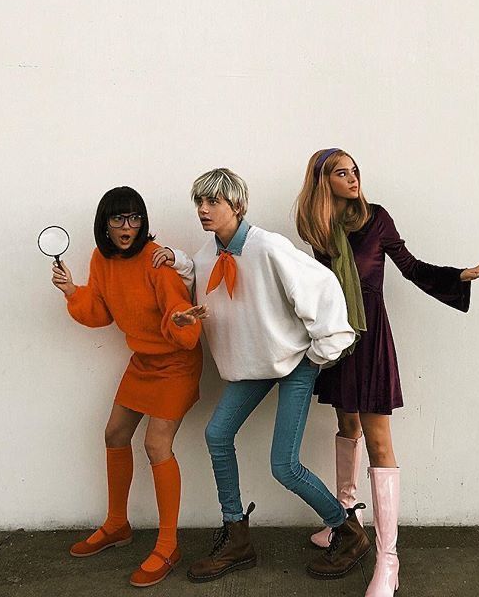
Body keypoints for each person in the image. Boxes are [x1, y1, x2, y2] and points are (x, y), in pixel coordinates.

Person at [295, 148, 479, 596]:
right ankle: (348, 522)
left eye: (355, 171)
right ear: (322, 181)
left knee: (379, 439)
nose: (353, 179)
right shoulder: (319, 228)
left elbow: (409, 268)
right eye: (341, 172)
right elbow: (316, 288)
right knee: (345, 422)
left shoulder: (377, 219)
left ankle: (388, 560)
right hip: (336, 338)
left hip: (369, 341)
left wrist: (458, 276)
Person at [152, 168, 370, 582]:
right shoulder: (211, 253)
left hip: (295, 363)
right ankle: (237, 537)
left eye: (213, 201)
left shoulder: (268, 247)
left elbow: (322, 286)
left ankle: (347, 529)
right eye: (199, 202)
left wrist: (320, 354)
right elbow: (197, 271)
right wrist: (174, 259)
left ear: (237, 206)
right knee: (217, 435)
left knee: (284, 466)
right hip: (257, 364)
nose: (204, 210)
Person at [50, 186, 207, 588]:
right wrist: (72, 291)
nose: (127, 227)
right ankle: (118, 524)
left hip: (176, 362)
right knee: (114, 433)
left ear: (143, 222)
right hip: (143, 362)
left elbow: (175, 307)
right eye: (118, 218)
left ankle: (169, 545)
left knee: (156, 445)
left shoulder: (156, 261)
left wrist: (182, 321)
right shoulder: (101, 260)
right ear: (105, 223)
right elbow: (101, 310)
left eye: (134, 218)